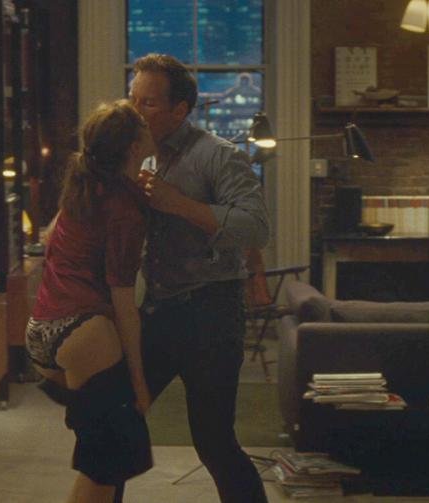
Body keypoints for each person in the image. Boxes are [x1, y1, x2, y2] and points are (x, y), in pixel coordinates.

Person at [127, 53, 271, 503]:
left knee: (214, 441)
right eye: (132, 99)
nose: (135, 111)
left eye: (148, 103)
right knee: (116, 422)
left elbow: (256, 227)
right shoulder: (136, 153)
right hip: (157, 309)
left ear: (180, 110)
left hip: (212, 313)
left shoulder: (218, 155)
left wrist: (179, 204)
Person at [25, 100, 156, 503]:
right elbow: (123, 302)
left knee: (108, 454)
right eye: (142, 122)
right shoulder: (124, 209)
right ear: (135, 147)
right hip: (85, 332)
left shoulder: (83, 188)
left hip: (43, 330)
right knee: (106, 465)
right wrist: (139, 383)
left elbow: (52, 241)